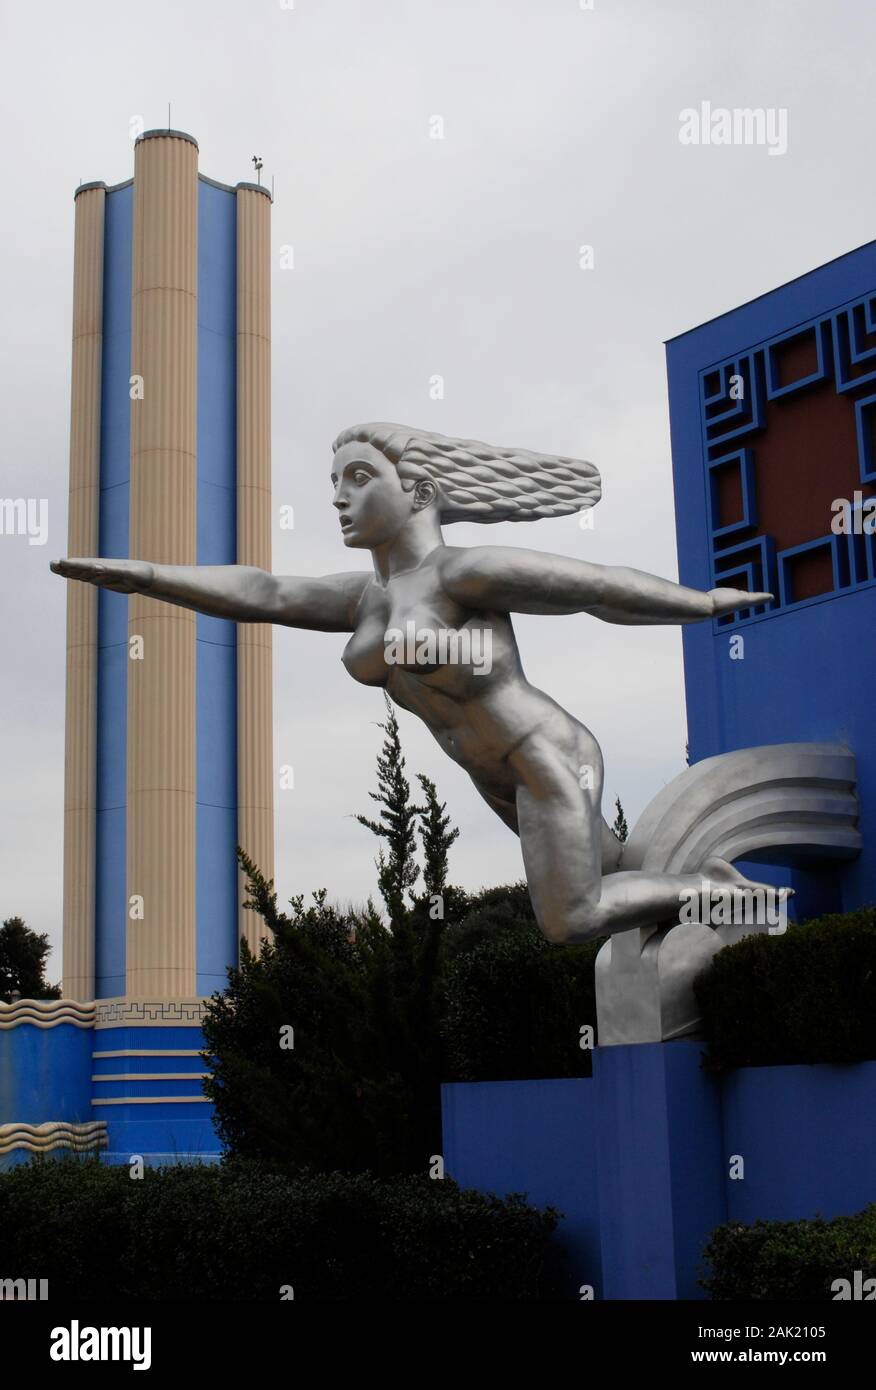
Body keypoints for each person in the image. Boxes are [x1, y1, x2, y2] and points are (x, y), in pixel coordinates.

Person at [52, 421, 778, 944]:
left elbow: (598, 587)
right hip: (490, 773)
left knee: (571, 918)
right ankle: (703, 903)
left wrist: (704, 604)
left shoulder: (464, 572)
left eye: (359, 478)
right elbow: (264, 591)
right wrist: (145, 578)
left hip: (546, 756)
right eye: (334, 482)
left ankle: (714, 892)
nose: (340, 496)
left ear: (421, 489)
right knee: (614, 870)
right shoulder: (361, 600)